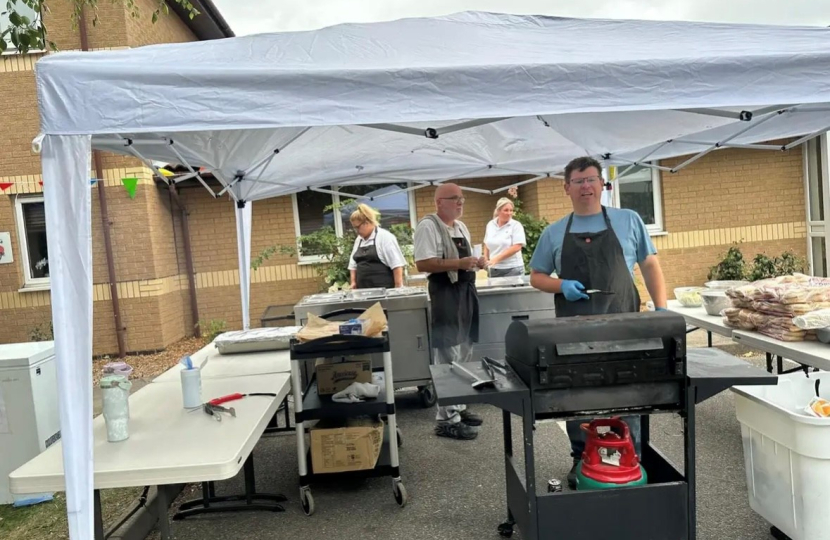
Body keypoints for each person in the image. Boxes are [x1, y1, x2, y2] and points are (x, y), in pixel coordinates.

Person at [528, 156, 668, 489]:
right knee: (581, 394)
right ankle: (582, 456)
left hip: (625, 328)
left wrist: (661, 310)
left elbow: (650, 265)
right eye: (578, 181)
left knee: (627, 393)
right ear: (567, 188)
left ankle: (628, 456)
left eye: (592, 180)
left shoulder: (629, 220)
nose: (586, 187)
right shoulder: (554, 232)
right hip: (575, 332)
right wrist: (562, 285)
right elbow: (536, 276)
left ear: (602, 185)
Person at [414, 183, 487, 440]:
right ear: (439, 202)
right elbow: (422, 263)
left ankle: (459, 406)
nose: (460, 203)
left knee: (465, 351)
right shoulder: (428, 226)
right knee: (448, 357)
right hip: (446, 295)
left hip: (466, 294)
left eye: (462, 198)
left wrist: (478, 262)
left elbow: (466, 260)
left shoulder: (460, 227)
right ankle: (446, 420)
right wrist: (458, 263)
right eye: (454, 199)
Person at [348, 203, 407, 289]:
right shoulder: (358, 240)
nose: (356, 231)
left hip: (383, 293)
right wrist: (353, 282)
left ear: (366, 223)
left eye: (357, 227)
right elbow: (352, 265)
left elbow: (397, 265)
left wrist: (398, 288)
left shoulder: (385, 237)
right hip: (362, 293)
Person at [483, 197, 527, 277]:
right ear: (498, 211)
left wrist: (496, 259)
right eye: (506, 210)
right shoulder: (490, 225)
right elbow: (486, 243)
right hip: (494, 269)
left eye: (511, 210)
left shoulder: (516, 225)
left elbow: (517, 247)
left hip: (513, 268)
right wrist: (486, 258)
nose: (509, 213)